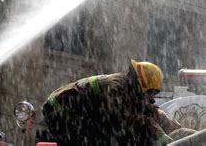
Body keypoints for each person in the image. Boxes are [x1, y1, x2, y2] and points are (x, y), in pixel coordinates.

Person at [42, 59, 172, 146]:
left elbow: (134, 105)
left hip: (71, 114)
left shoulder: (125, 86)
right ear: (141, 86)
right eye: (151, 94)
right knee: (115, 134)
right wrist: (167, 141)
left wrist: (156, 112)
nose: (151, 99)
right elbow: (126, 117)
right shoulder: (115, 89)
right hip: (60, 114)